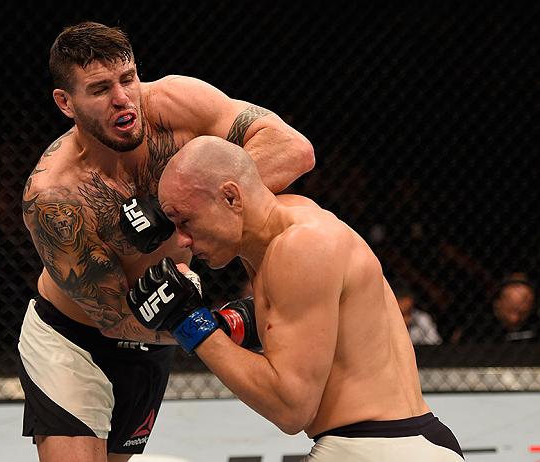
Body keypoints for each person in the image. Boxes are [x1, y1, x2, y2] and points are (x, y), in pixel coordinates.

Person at [18, 22, 314, 462]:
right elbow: (113, 318)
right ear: (66, 102)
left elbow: (293, 149)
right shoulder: (54, 196)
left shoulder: (176, 105)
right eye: (99, 89)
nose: (123, 99)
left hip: (158, 333)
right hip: (73, 339)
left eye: (128, 78)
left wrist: (172, 210)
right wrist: (215, 326)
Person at [127, 136, 464, 461]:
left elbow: (290, 408)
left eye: (186, 221)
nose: (182, 239)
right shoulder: (282, 227)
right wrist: (229, 325)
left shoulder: (300, 248)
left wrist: (190, 323)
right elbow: (304, 329)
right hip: (395, 440)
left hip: (375, 446)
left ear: (231, 197)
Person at [392, 279, 442, 345]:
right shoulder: (386, 320)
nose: (406, 319)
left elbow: (434, 341)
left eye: (409, 312)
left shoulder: (422, 318)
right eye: (402, 314)